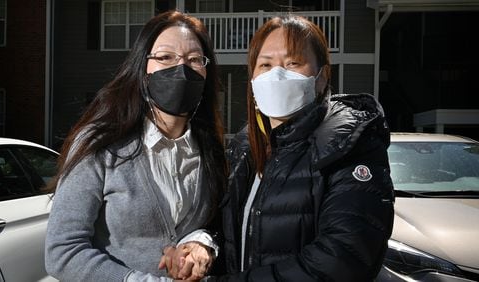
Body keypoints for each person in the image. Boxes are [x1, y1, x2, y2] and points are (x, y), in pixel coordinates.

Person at [162, 15, 395, 281]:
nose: (277, 74)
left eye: (293, 63)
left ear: (322, 76)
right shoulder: (246, 147)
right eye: (265, 64)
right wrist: (203, 245)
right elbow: (233, 228)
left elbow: (342, 259)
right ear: (252, 79)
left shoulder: (350, 144)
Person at [45, 11, 226, 282]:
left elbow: (215, 224)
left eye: (194, 59)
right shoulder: (99, 145)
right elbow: (63, 252)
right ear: (143, 70)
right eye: (165, 57)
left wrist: (202, 243)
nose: (182, 68)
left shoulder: (211, 150)